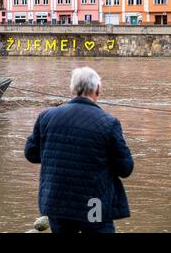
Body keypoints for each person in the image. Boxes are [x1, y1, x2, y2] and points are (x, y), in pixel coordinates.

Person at [24, 67, 134, 233]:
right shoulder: (108, 123)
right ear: (97, 90)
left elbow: (31, 153)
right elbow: (125, 168)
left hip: (56, 200)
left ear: (71, 89)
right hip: (94, 203)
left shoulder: (46, 117)